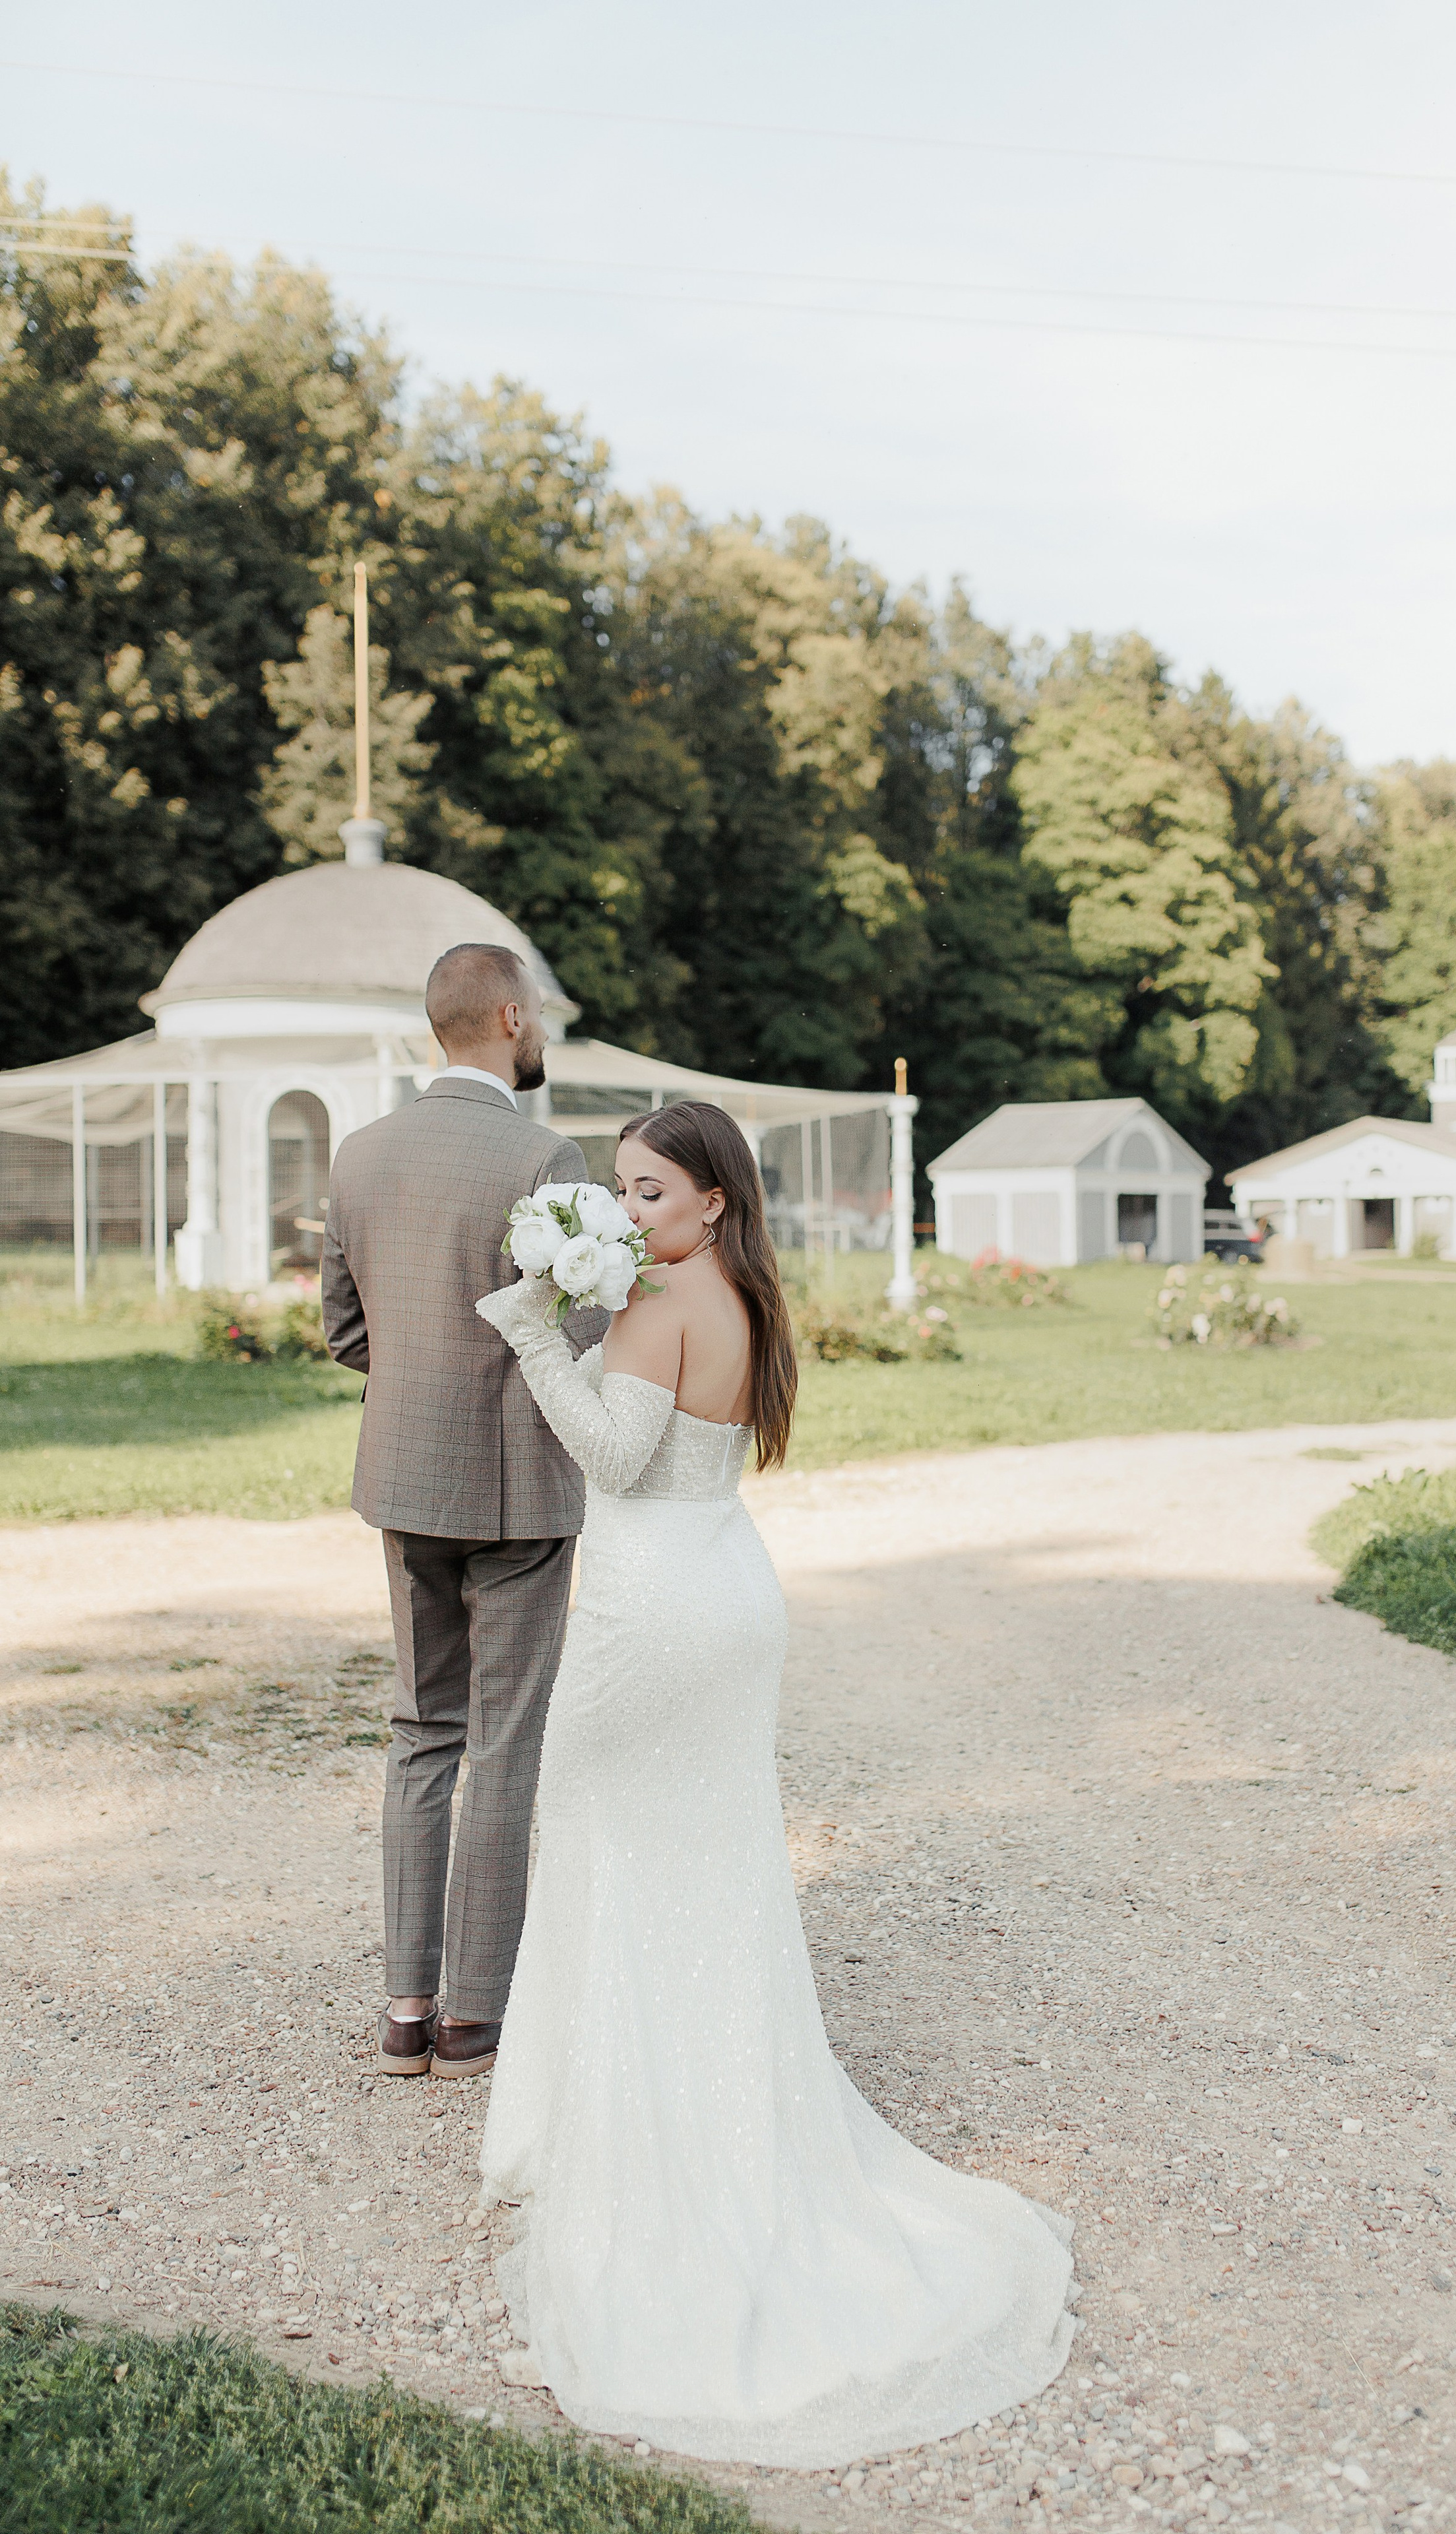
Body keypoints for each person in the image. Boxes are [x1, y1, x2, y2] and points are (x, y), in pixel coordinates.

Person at [472, 1099, 1073, 2469]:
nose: (626, 1215)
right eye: (615, 1192)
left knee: (602, 1852)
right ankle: (700, 2114)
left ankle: (637, 2158)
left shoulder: (662, 1301)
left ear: (710, 1203)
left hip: (653, 1609)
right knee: (708, 1873)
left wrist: (528, 1333)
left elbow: (614, 1462)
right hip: (725, 1587)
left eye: (643, 1192)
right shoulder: (740, 1293)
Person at [321, 942, 606, 2082]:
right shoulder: (549, 1156)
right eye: (532, 1012)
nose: (538, 1030)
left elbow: (346, 1333)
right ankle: (474, 2020)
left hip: (405, 1483)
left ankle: (403, 2011)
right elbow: (579, 1331)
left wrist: (421, 1386)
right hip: (524, 1491)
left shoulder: (360, 1156)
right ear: (503, 1015)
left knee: (420, 1734)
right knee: (503, 1745)